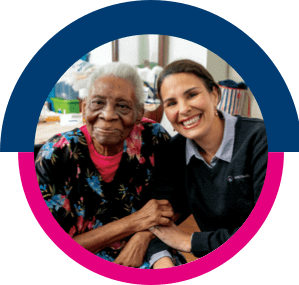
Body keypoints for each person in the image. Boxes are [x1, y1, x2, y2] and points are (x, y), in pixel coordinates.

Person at [35, 62, 186, 269]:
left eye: (123, 106)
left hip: (149, 244)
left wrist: (142, 236)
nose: (107, 115)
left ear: (138, 113)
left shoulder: (154, 139)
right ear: (83, 107)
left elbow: (177, 200)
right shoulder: (56, 155)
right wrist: (135, 221)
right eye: (98, 103)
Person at [146, 59, 268, 266]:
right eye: (172, 103)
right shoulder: (174, 151)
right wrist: (161, 259)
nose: (183, 109)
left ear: (214, 95)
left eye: (192, 95)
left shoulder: (263, 139)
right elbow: (156, 216)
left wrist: (191, 241)